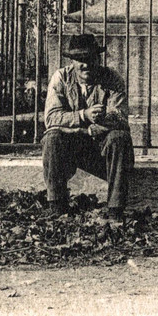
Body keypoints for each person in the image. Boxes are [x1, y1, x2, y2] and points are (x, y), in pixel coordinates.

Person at [41, 33, 134, 221]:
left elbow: (121, 117)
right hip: (70, 152)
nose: (86, 65)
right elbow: (51, 118)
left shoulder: (112, 78)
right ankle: (58, 207)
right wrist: (84, 116)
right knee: (52, 138)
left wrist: (100, 123)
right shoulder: (60, 78)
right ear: (72, 61)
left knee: (119, 137)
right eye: (80, 60)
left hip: (101, 152)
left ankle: (115, 209)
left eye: (90, 58)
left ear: (98, 58)